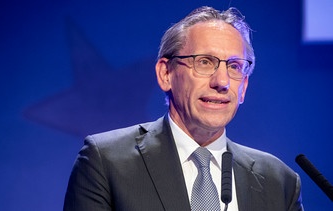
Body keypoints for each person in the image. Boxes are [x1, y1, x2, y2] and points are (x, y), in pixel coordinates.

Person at [63, 6, 304, 211]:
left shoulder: (279, 182)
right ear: (165, 73)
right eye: (204, 62)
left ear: (244, 87)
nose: (222, 82)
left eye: (234, 66)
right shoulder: (106, 162)